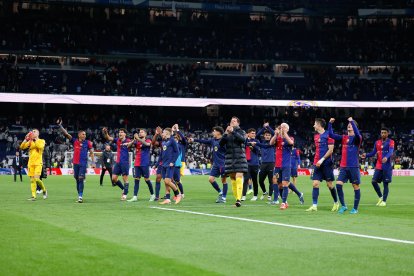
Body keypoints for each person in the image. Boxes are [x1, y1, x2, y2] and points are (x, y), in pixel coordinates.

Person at [328, 117, 362, 214]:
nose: (349, 125)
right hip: (343, 166)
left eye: (351, 125)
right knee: (338, 185)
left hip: (353, 166)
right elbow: (331, 134)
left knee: (355, 186)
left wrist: (352, 121)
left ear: (355, 127)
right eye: (348, 124)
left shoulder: (357, 138)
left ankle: (355, 208)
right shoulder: (344, 138)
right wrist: (330, 124)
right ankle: (343, 206)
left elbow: (358, 134)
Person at [306, 118, 339, 212]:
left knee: (329, 185)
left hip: (326, 163)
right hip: (317, 163)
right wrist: (317, 161)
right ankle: (314, 205)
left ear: (319, 125)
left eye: (315, 124)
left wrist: (322, 159)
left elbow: (331, 150)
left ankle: (336, 202)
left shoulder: (329, 135)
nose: (313, 126)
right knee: (315, 184)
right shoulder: (315, 136)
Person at [189, 126, 228, 203]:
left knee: (223, 180)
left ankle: (224, 198)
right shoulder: (213, 140)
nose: (213, 132)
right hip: (216, 164)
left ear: (218, 132)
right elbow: (204, 141)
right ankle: (220, 192)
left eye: (214, 131)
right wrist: (194, 139)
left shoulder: (224, 140)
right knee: (210, 179)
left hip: (223, 163)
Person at [270, 123, 304, 210]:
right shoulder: (277, 138)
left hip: (286, 165)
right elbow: (271, 143)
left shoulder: (290, 138)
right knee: (279, 185)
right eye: (281, 126)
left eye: (284, 127)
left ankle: (284, 202)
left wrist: (284, 133)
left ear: (287, 129)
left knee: (285, 183)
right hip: (277, 165)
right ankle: (299, 194)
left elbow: (291, 142)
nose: (282, 128)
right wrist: (275, 134)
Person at [59, 121, 95, 203]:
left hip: (83, 164)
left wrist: (93, 163)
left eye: (85, 134)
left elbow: (92, 152)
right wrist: (60, 126)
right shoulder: (75, 141)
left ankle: (80, 196)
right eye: (83, 134)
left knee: (81, 178)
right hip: (75, 163)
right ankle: (79, 194)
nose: (84, 135)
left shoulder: (88, 143)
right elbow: (66, 134)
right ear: (79, 135)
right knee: (77, 179)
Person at [362, 128, 395, 207]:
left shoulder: (391, 142)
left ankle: (384, 201)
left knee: (385, 184)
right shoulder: (377, 142)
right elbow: (373, 152)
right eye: (382, 133)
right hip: (379, 165)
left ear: (387, 133)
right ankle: (381, 196)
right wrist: (366, 155)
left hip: (387, 166)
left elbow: (390, 151)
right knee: (373, 181)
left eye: (384, 133)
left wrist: (386, 157)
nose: (383, 134)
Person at [219, 116, 247, 207]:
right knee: (233, 179)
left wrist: (233, 132)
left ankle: (239, 200)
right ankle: (236, 199)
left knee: (239, 176)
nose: (232, 122)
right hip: (229, 159)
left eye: (234, 121)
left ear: (238, 123)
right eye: (231, 121)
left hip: (240, 158)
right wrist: (226, 133)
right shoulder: (228, 133)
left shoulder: (241, 131)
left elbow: (243, 140)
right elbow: (221, 144)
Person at [126, 129, 155, 202]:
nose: (140, 133)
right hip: (137, 163)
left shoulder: (148, 140)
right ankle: (135, 196)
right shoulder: (137, 141)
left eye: (142, 132)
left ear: (145, 134)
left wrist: (138, 138)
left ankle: (152, 195)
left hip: (144, 163)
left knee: (147, 180)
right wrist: (133, 140)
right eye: (139, 132)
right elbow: (128, 146)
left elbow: (148, 145)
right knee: (136, 180)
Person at [102, 127, 130, 201]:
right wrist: (105, 132)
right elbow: (108, 137)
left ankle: (125, 194)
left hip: (125, 163)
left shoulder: (128, 140)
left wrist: (130, 143)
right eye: (119, 132)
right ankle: (124, 189)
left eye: (121, 132)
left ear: (125, 134)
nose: (120, 133)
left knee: (125, 179)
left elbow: (130, 144)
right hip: (118, 163)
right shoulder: (117, 140)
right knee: (113, 179)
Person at [19, 129, 47, 201]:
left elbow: (40, 147)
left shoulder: (42, 141)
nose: (33, 133)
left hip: (38, 163)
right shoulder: (30, 142)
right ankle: (33, 196)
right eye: (32, 132)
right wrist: (25, 139)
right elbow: (22, 147)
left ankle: (44, 190)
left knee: (37, 179)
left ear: (38, 133)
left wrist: (34, 139)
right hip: (31, 163)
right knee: (32, 180)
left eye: (34, 132)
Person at [159, 128, 182, 205]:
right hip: (164, 164)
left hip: (170, 164)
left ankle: (178, 194)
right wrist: (158, 163)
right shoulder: (164, 142)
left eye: (163, 133)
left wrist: (173, 161)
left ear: (167, 133)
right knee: (166, 183)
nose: (162, 134)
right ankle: (167, 198)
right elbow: (162, 154)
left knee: (167, 181)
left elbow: (177, 152)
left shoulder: (172, 140)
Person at [243, 128, 262, 201]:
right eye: (252, 133)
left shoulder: (257, 141)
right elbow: (243, 146)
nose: (254, 134)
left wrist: (253, 146)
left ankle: (255, 195)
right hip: (247, 163)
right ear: (248, 134)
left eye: (254, 133)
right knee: (246, 179)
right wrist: (246, 140)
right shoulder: (245, 141)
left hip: (255, 163)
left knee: (254, 180)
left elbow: (258, 151)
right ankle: (243, 196)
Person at [173, 124, 187, 197]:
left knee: (177, 179)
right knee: (174, 179)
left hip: (181, 162)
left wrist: (177, 130)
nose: (174, 138)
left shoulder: (182, 144)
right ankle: (178, 193)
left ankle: (181, 193)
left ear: (178, 138)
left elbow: (184, 139)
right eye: (174, 137)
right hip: (173, 162)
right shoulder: (172, 145)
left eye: (176, 137)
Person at [151, 126, 164, 201]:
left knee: (169, 180)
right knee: (158, 178)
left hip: (169, 163)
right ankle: (157, 196)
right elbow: (153, 143)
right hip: (162, 163)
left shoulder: (170, 140)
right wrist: (156, 134)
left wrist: (161, 132)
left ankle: (177, 194)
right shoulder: (161, 142)